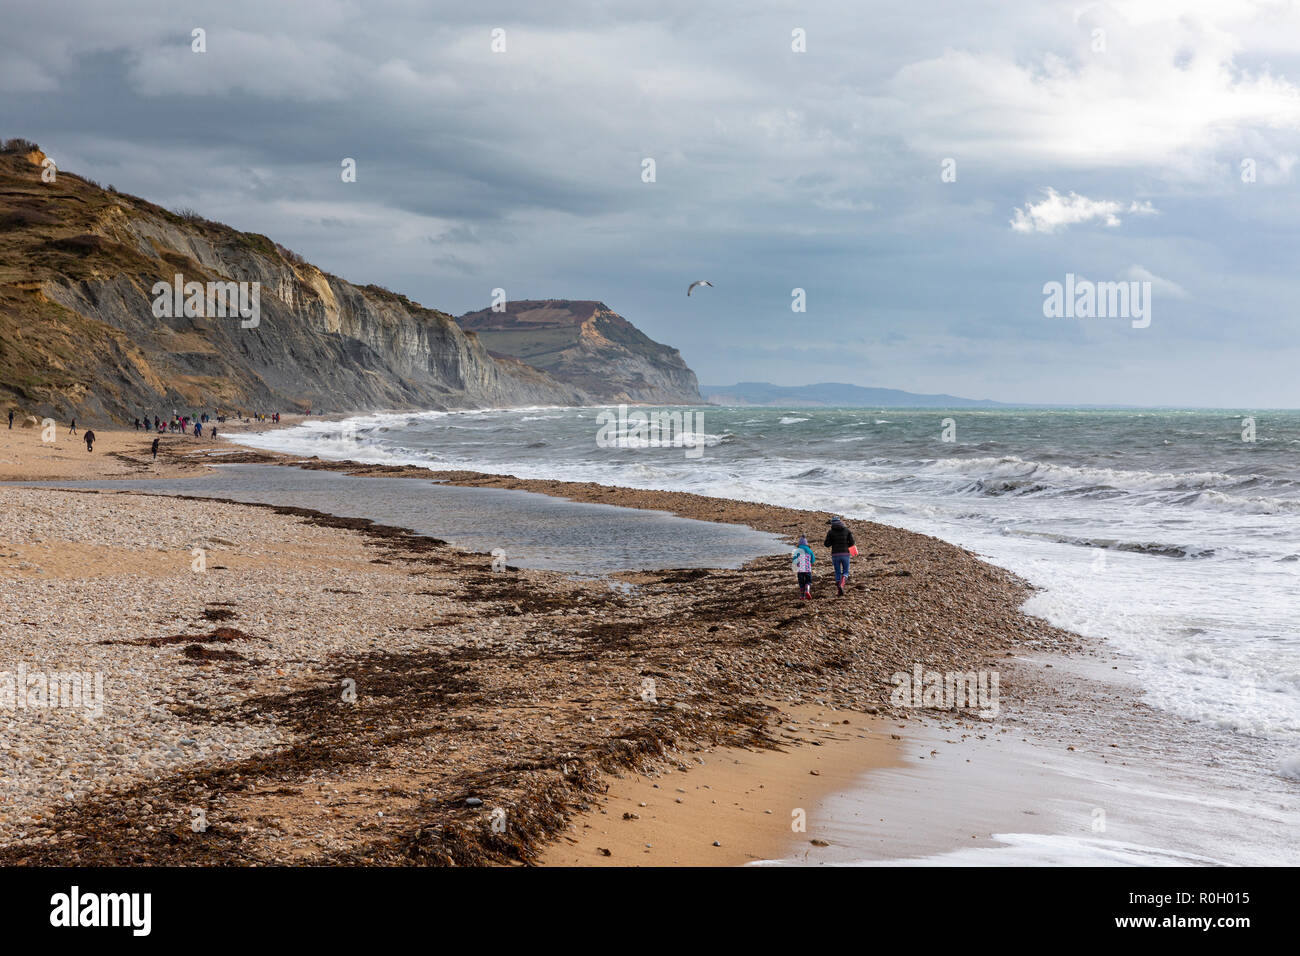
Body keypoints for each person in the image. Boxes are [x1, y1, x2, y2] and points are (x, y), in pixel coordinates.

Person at [824, 516, 856, 597]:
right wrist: (846, 545)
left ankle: (839, 590)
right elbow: (852, 543)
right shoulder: (847, 530)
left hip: (835, 554)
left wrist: (832, 542)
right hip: (845, 554)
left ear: (832, 523)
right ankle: (842, 585)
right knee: (845, 572)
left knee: (837, 572)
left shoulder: (830, 532)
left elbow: (826, 544)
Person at [792, 534, 816, 600]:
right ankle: (807, 591)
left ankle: (802, 596)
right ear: (806, 544)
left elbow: (794, 560)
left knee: (801, 582)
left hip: (800, 570)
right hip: (808, 569)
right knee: (808, 581)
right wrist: (810, 563)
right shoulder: (809, 550)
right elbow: (813, 560)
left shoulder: (797, 551)